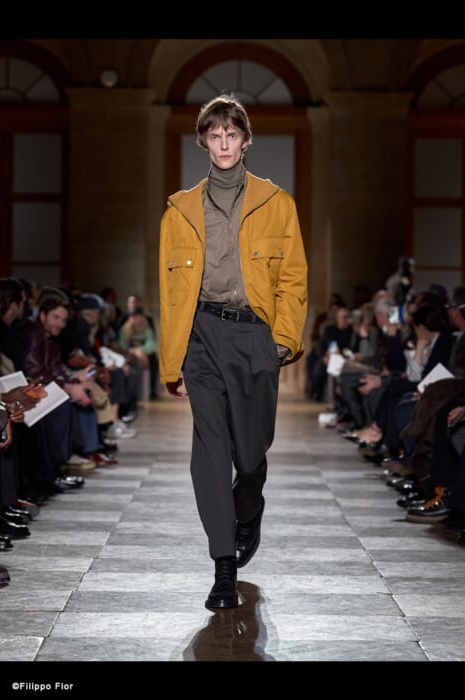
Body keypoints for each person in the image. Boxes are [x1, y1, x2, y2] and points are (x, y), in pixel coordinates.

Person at [159, 94, 308, 610]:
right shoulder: (179, 210)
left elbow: (293, 278)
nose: (223, 143)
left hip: (254, 337)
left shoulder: (277, 203)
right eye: (215, 135)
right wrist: (173, 359)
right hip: (201, 335)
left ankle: (250, 504)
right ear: (204, 142)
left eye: (232, 134)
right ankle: (223, 566)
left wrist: (281, 341)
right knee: (210, 452)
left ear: (246, 141)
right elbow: (171, 292)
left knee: (249, 453)